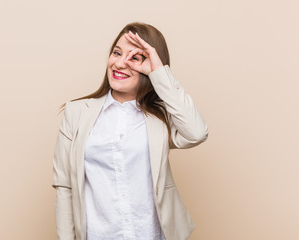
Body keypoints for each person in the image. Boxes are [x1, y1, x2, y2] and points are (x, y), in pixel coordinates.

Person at [52, 22, 209, 240]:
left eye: (135, 58)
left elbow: (196, 133)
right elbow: (65, 186)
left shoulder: (160, 116)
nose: (120, 63)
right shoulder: (76, 113)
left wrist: (159, 72)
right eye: (117, 53)